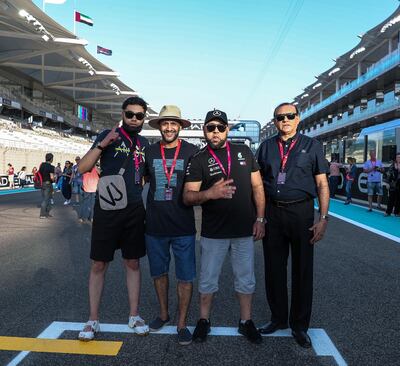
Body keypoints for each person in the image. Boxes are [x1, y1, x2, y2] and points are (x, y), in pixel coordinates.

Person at [183, 109, 265, 344]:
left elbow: (258, 187)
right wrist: (209, 193)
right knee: (208, 279)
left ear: (227, 129)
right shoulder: (198, 159)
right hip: (214, 232)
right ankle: (203, 320)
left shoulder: (244, 151)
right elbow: (188, 196)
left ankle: (246, 322)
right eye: (211, 128)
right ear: (204, 130)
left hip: (243, 231)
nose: (215, 132)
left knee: (246, 279)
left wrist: (260, 219)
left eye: (220, 127)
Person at [256, 102, 329, 349]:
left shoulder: (313, 146)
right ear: (275, 121)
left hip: (302, 213)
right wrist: (260, 218)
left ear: (298, 119)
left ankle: (299, 326)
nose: (285, 120)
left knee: (302, 271)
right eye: (280, 117)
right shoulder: (265, 147)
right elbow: (258, 186)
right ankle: (278, 319)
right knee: (273, 270)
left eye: (290, 116)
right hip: (274, 214)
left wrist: (323, 218)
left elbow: (322, 184)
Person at [77, 96, 150, 341]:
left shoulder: (145, 143)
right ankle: (92, 319)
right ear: (123, 113)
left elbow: (147, 175)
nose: (134, 119)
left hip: (134, 209)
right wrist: (102, 144)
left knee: (133, 263)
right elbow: (82, 168)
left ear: (143, 118)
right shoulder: (107, 135)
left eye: (139, 115)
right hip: (107, 209)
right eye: (130, 114)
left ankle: (134, 315)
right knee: (99, 264)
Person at [145, 105, 198, 346]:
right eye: (164, 123)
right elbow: (141, 180)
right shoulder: (149, 151)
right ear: (159, 126)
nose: (168, 127)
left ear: (180, 126)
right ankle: (164, 314)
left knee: (185, 277)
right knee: (159, 273)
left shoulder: (192, 151)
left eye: (173, 123)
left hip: (183, 225)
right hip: (155, 224)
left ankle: (182, 323)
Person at [39, 153, 55, 219]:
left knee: (46, 199)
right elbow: (52, 177)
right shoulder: (51, 167)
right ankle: (42, 214)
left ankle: (46, 213)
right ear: (51, 159)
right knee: (46, 199)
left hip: (42, 183)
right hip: (48, 184)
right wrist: (54, 179)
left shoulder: (42, 165)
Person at [384, 153, 400, 217]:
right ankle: (388, 212)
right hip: (393, 184)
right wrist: (387, 183)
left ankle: (397, 212)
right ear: (396, 158)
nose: (399, 158)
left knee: (399, 199)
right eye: (398, 157)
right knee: (391, 199)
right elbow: (388, 175)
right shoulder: (392, 166)